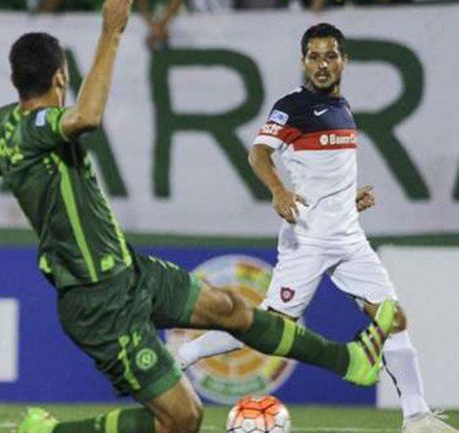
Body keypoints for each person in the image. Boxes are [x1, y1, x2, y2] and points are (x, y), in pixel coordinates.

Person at [0, 4, 396, 432]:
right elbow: (88, 116)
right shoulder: (37, 127)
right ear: (61, 75)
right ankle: (55, 430)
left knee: (231, 309)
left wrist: (16, 162)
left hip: (128, 270)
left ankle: (349, 361)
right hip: (97, 300)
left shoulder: (1, 128)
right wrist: (111, 31)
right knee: (183, 420)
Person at [175, 23, 456, 433]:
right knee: (270, 326)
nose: (322, 65)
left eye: (330, 56)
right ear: (303, 61)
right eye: (313, 56)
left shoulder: (344, 109)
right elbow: (257, 155)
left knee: (393, 318)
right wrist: (277, 191)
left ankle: (415, 417)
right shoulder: (293, 106)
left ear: (344, 60)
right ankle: (182, 358)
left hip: (349, 238)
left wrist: (348, 200)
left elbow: (324, 175)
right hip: (306, 238)